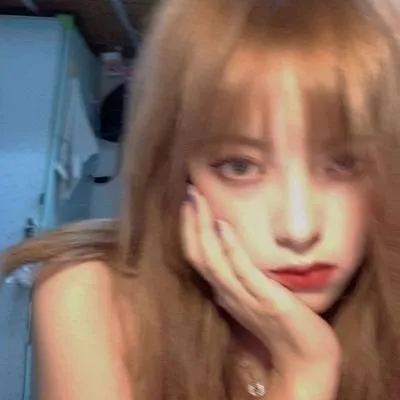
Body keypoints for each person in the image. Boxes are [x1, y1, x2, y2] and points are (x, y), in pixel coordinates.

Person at [2, 0, 400, 399]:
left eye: (345, 163)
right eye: (239, 166)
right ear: (174, 172)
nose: (299, 229)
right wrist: (306, 369)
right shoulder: (93, 296)